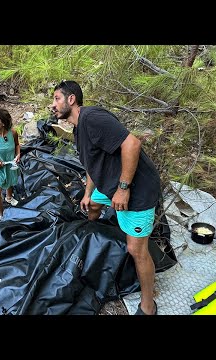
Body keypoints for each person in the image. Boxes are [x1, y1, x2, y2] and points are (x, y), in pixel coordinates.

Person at [51, 80, 161, 315]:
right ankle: (94, 235)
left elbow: (132, 143)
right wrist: (89, 192)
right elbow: (92, 163)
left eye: (57, 99)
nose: (53, 105)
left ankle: (148, 304)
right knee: (90, 205)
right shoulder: (79, 127)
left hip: (137, 190)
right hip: (108, 184)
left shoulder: (92, 118)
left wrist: (123, 188)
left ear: (71, 99)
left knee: (136, 250)